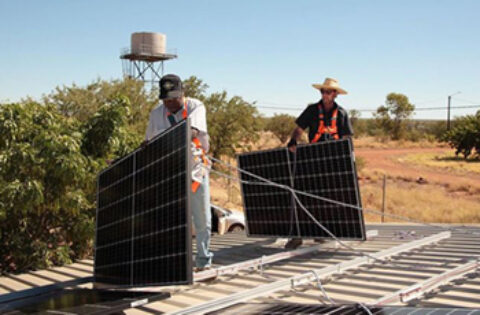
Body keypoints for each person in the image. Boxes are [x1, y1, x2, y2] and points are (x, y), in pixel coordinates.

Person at [145, 74, 214, 271]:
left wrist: (167, 141)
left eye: (173, 99)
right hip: (170, 172)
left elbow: (191, 131)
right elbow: (149, 142)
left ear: (182, 94)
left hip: (195, 170)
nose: (169, 103)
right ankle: (174, 260)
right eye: (165, 99)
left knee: (201, 218)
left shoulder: (195, 106)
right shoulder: (156, 115)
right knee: (171, 217)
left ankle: (203, 260)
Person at [285, 77, 353, 249]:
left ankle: (320, 232)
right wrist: (293, 142)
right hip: (312, 158)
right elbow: (299, 129)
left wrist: (347, 160)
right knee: (304, 195)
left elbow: (346, 139)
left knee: (327, 197)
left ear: (335, 94)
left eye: (329, 92)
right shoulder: (312, 110)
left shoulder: (342, 114)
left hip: (333, 161)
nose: (325, 94)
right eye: (323, 91)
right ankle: (297, 235)